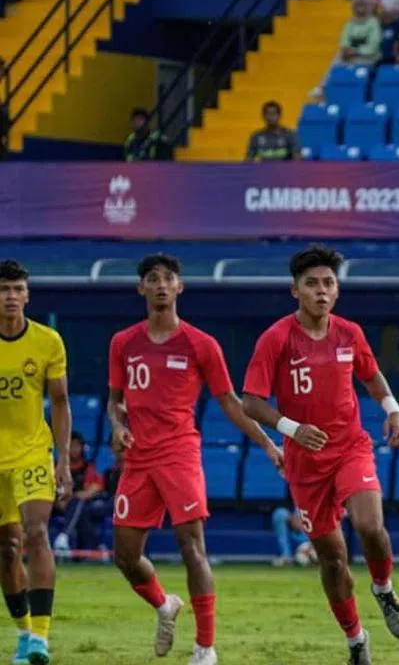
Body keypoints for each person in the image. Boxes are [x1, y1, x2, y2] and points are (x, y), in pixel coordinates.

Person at [107, 254, 284, 665]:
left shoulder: (201, 344)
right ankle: (164, 605)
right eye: (153, 279)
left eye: (169, 278)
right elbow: (115, 403)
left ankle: (205, 648)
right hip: (138, 459)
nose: (162, 285)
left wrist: (270, 445)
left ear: (180, 288)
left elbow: (232, 403)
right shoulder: (123, 342)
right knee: (125, 556)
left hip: (180, 454)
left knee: (193, 547)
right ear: (142, 289)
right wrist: (117, 426)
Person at [242, 245, 399, 665]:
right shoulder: (276, 338)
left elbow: (372, 377)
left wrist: (392, 410)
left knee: (370, 526)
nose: (321, 291)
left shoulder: (350, 333)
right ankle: (356, 641)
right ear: (295, 290)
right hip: (304, 461)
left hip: (350, 447)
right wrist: (291, 429)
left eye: (328, 283)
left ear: (337, 291)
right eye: (312, 284)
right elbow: (250, 401)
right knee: (332, 557)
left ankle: (384, 589)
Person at [0, 259, 71, 665]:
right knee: (8, 550)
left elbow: (60, 402)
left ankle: (41, 639)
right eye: (4, 289)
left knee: (36, 533)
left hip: (31, 451)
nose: (11, 296)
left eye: (17, 289)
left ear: (27, 295)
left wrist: (62, 461)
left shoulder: (48, 342)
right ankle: (24, 633)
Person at [51, 433, 105, 558]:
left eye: (76, 445)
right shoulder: (56, 466)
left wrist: (71, 498)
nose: (73, 449)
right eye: (70, 445)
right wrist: (58, 499)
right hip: (56, 503)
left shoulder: (88, 467)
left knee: (79, 504)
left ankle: (64, 538)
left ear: (82, 448)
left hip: (75, 505)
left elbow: (94, 488)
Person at [339, 0, 383, 66]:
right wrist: (345, 50)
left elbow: (373, 46)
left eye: (362, 4)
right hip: (349, 55)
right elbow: (344, 41)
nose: (359, 7)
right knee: (336, 66)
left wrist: (356, 51)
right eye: (357, 4)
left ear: (368, 7)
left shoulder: (374, 22)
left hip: (368, 56)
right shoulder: (349, 23)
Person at [271, 503, 318, 568]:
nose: (298, 523)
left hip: (312, 549)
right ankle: (286, 557)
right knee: (280, 513)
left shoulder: (312, 528)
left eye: (301, 520)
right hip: (296, 553)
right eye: (297, 518)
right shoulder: (283, 517)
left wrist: (311, 547)